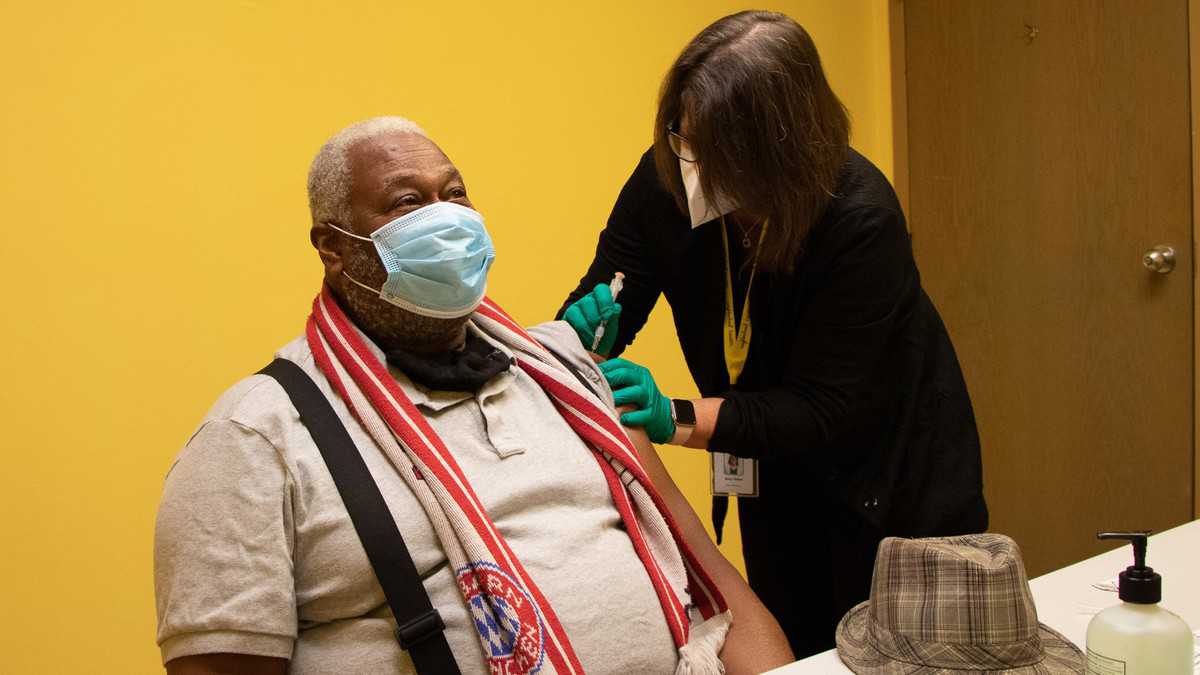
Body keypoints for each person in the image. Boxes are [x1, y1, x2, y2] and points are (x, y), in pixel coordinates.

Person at [154, 116, 793, 675]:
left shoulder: (563, 370)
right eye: (408, 203)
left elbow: (719, 589)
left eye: (455, 193)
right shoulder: (258, 436)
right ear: (334, 247)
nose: (448, 218)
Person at [560, 11, 988, 657]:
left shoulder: (860, 218)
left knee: (903, 656)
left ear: (781, 148)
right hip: (770, 468)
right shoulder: (666, 182)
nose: (692, 167)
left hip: (891, 488)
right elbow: (601, 295)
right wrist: (583, 328)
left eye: (717, 150)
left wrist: (674, 415)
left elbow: (823, 408)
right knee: (796, 636)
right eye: (683, 138)